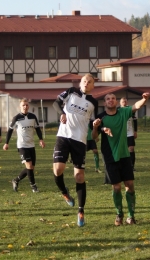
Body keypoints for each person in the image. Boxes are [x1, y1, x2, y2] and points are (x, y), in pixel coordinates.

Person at [92, 92, 150, 226]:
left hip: (124, 155)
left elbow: (136, 106)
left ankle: (131, 216)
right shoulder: (100, 117)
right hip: (109, 156)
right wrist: (96, 127)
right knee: (117, 187)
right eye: (108, 99)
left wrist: (144, 99)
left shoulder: (123, 112)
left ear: (116, 102)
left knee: (129, 185)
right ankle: (119, 215)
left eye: (113, 98)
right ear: (104, 102)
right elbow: (94, 136)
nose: (110, 100)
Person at [52, 73, 98, 227]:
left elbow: (93, 124)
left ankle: (81, 211)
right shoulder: (71, 91)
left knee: (79, 176)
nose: (86, 83)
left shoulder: (93, 103)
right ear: (80, 83)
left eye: (90, 81)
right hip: (63, 136)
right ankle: (64, 192)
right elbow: (56, 103)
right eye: (85, 80)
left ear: (93, 85)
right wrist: (63, 113)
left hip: (80, 140)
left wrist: (98, 126)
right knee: (58, 170)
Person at [3, 98, 45, 193]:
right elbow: (9, 131)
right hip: (22, 146)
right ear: (20, 106)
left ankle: (16, 180)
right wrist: (6, 143)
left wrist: (41, 139)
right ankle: (34, 187)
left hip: (31, 145)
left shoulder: (33, 117)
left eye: (27, 105)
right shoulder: (16, 118)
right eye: (23, 105)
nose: (25, 107)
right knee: (29, 166)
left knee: (30, 168)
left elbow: (38, 129)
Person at [119, 97, 138, 171]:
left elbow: (135, 121)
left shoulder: (131, 110)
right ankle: (122, 165)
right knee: (121, 150)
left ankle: (131, 166)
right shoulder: (118, 110)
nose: (124, 103)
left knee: (131, 149)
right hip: (121, 133)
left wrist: (135, 131)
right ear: (120, 103)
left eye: (125, 101)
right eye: (123, 101)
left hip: (130, 132)